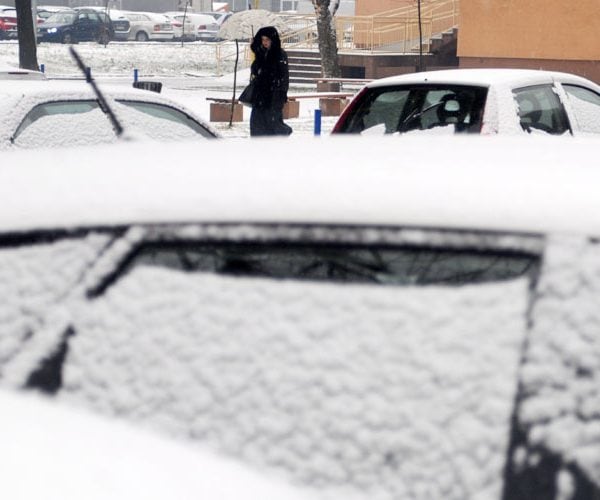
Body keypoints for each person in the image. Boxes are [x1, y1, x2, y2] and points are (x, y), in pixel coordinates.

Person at [248, 26, 292, 137]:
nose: (265, 42)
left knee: (273, 124)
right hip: (260, 96)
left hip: (273, 95)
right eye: (262, 40)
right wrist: (257, 53)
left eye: (267, 40)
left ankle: (282, 135)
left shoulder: (280, 55)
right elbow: (255, 70)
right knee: (257, 123)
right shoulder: (261, 53)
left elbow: (284, 76)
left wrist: (282, 94)